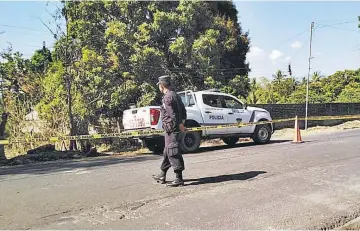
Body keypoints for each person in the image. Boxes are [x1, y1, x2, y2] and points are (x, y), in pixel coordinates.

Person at [152, 75, 187, 187]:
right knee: (168, 151)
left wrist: (179, 124)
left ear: (162, 86)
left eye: (159, 86)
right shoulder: (175, 95)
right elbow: (183, 110)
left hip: (172, 128)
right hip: (173, 128)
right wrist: (182, 121)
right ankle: (162, 174)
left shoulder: (167, 97)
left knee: (173, 151)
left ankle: (179, 178)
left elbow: (173, 113)